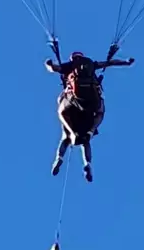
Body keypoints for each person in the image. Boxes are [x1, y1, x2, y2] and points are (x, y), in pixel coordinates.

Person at [46, 40, 135, 181]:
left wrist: (49, 65)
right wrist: (126, 63)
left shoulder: (69, 66)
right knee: (89, 134)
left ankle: (59, 158)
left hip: (72, 106)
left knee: (65, 135)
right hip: (92, 105)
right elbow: (110, 63)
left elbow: (54, 69)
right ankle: (88, 160)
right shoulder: (91, 65)